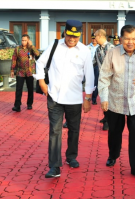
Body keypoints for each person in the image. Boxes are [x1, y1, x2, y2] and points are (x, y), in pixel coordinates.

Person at [35, 20, 94, 178]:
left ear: (80, 35)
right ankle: (54, 166)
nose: (72, 39)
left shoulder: (85, 51)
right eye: (69, 36)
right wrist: (41, 81)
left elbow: (89, 75)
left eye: (75, 37)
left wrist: (88, 97)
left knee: (74, 130)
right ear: (65, 33)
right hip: (54, 96)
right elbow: (40, 63)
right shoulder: (55, 46)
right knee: (55, 131)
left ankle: (71, 156)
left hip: (74, 98)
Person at [98, 25, 135, 179]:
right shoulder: (112, 53)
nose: (131, 42)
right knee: (115, 133)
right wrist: (104, 98)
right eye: (127, 39)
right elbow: (104, 77)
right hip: (115, 101)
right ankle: (113, 155)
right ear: (121, 39)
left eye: (134, 39)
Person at [10, 34, 40, 112]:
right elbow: (14, 59)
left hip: (30, 72)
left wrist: (32, 45)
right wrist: (12, 70)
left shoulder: (31, 49)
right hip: (20, 71)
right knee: (18, 89)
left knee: (30, 89)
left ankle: (29, 104)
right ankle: (17, 106)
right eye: (22, 40)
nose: (23, 42)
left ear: (28, 41)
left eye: (25, 40)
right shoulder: (17, 49)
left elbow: (37, 54)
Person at [93, 29, 115, 130]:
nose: (94, 38)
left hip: (111, 79)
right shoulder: (97, 49)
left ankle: (108, 121)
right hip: (102, 78)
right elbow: (93, 62)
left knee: (109, 100)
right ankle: (106, 117)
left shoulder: (111, 48)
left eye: (95, 36)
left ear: (101, 36)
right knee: (103, 98)